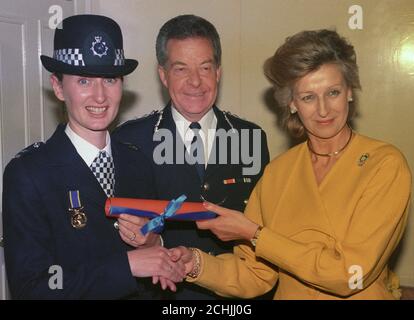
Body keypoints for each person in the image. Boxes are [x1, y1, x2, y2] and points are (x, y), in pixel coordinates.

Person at [176, 29, 412, 300]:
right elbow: (254, 274)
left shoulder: (384, 165)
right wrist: (195, 264)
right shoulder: (278, 173)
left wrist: (256, 235)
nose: (323, 110)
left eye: (333, 92)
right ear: (291, 103)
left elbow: (349, 275)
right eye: (308, 97)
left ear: (349, 92)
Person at [2, 14, 185, 299]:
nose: (100, 96)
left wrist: (154, 243)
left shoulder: (137, 161)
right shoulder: (29, 174)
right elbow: (33, 287)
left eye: (110, 79)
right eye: (84, 81)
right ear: (59, 87)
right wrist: (125, 266)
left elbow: (158, 258)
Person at [113, 14, 270, 299]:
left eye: (205, 67)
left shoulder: (252, 137)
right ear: (163, 75)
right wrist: (149, 242)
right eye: (181, 69)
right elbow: (115, 237)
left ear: (218, 72)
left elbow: (264, 233)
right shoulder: (130, 140)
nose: (195, 82)